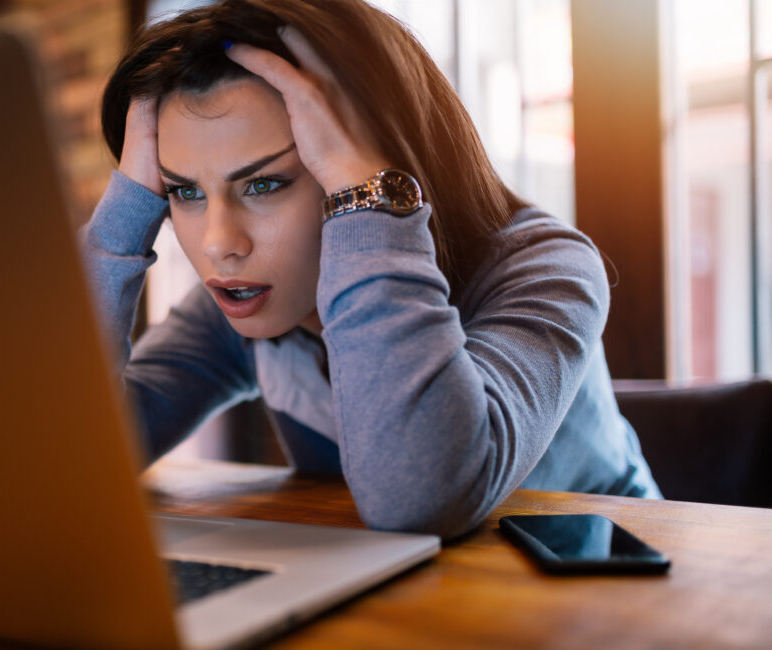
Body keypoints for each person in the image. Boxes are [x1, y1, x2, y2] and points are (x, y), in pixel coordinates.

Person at [79, 0, 661, 539]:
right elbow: (69, 459)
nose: (217, 244)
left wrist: (368, 195)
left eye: (264, 183)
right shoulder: (244, 296)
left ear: (365, 167)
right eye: (183, 191)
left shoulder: (548, 268)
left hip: (621, 597)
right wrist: (124, 212)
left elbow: (422, 499)